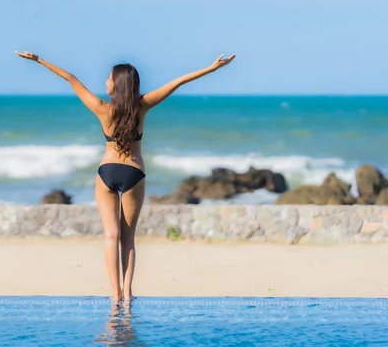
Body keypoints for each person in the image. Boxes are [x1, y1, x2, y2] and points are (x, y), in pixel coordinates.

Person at [15, 50, 236, 302]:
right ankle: (128, 293)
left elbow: (70, 78)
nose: (106, 82)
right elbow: (178, 81)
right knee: (128, 237)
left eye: (109, 78)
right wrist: (212, 68)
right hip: (134, 173)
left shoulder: (101, 108)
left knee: (111, 235)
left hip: (107, 172)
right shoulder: (143, 106)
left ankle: (115, 293)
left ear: (116, 83)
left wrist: (39, 60)